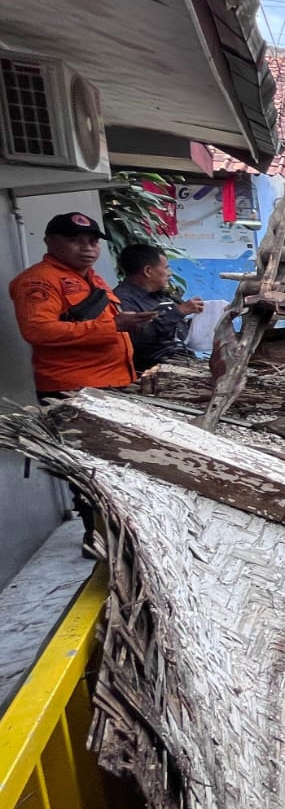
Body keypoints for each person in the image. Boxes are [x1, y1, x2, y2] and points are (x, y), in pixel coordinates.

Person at [7, 211, 159, 554]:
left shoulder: (94, 280)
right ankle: (97, 536)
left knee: (115, 463)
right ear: (51, 241)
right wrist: (113, 327)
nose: (87, 248)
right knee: (89, 467)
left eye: (92, 241)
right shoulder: (40, 282)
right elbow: (38, 331)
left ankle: (119, 531)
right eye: (76, 240)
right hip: (73, 390)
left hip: (110, 385)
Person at [113, 243, 204, 371]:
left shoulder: (162, 294)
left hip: (183, 361)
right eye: (166, 268)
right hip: (152, 372)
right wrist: (177, 312)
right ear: (148, 271)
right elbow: (138, 339)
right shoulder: (121, 299)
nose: (170, 273)